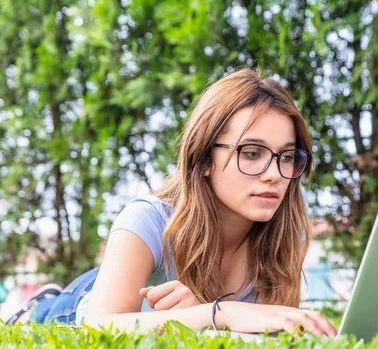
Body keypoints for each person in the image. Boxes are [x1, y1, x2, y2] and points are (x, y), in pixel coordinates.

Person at [7, 69, 337, 338]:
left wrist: (200, 315)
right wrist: (218, 312)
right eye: (251, 153)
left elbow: (268, 332)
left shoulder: (288, 226)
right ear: (204, 158)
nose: (273, 175)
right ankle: (42, 301)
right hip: (76, 309)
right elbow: (98, 326)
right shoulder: (147, 219)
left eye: (287, 157)